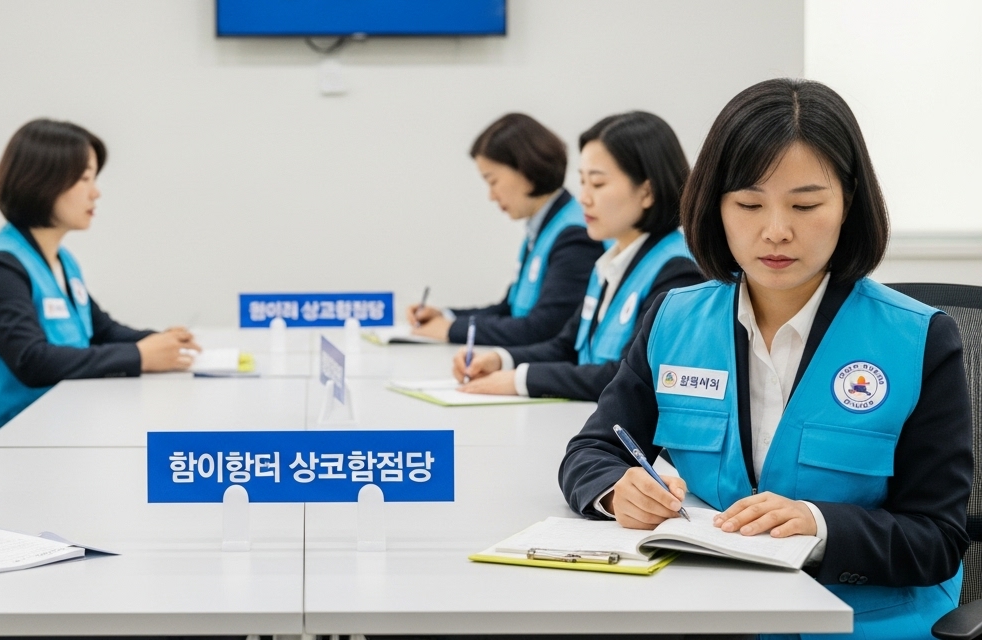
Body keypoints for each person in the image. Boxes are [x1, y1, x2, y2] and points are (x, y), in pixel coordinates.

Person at [559, 79, 969, 638]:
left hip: (860, 621)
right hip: (714, 612)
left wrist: (819, 526)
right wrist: (616, 490)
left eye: (805, 204)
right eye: (749, 204)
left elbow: (937, 538)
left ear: (848, 203)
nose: (776, 231)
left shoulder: (918, 340)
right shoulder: (675, 320)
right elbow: (593, 450)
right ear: (716, 207)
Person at [0, 119, 199, 430]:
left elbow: (102, 331)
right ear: (42, 181)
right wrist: (139, 355)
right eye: (84, 178)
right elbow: (32, 361)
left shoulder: (62, 262)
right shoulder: (0, 270)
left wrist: (160, 341)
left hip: (56, 417)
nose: (96, 192)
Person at [454, 112, 702, 401]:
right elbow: (566, 346)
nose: (583, 197)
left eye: (597, 184)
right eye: (582, 182)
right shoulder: (611, 264)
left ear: (647, 192)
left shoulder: (677, 271)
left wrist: (522, 380)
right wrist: (501, 360)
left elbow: (627, 376)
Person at [408, 113, 603, 346]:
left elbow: (543, 328)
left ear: (525, 169)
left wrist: (452, 330)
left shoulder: (575, 236)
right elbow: (509, 309)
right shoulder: (542, 229)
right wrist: (446, 316)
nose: (491, 195)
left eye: (492, 181)